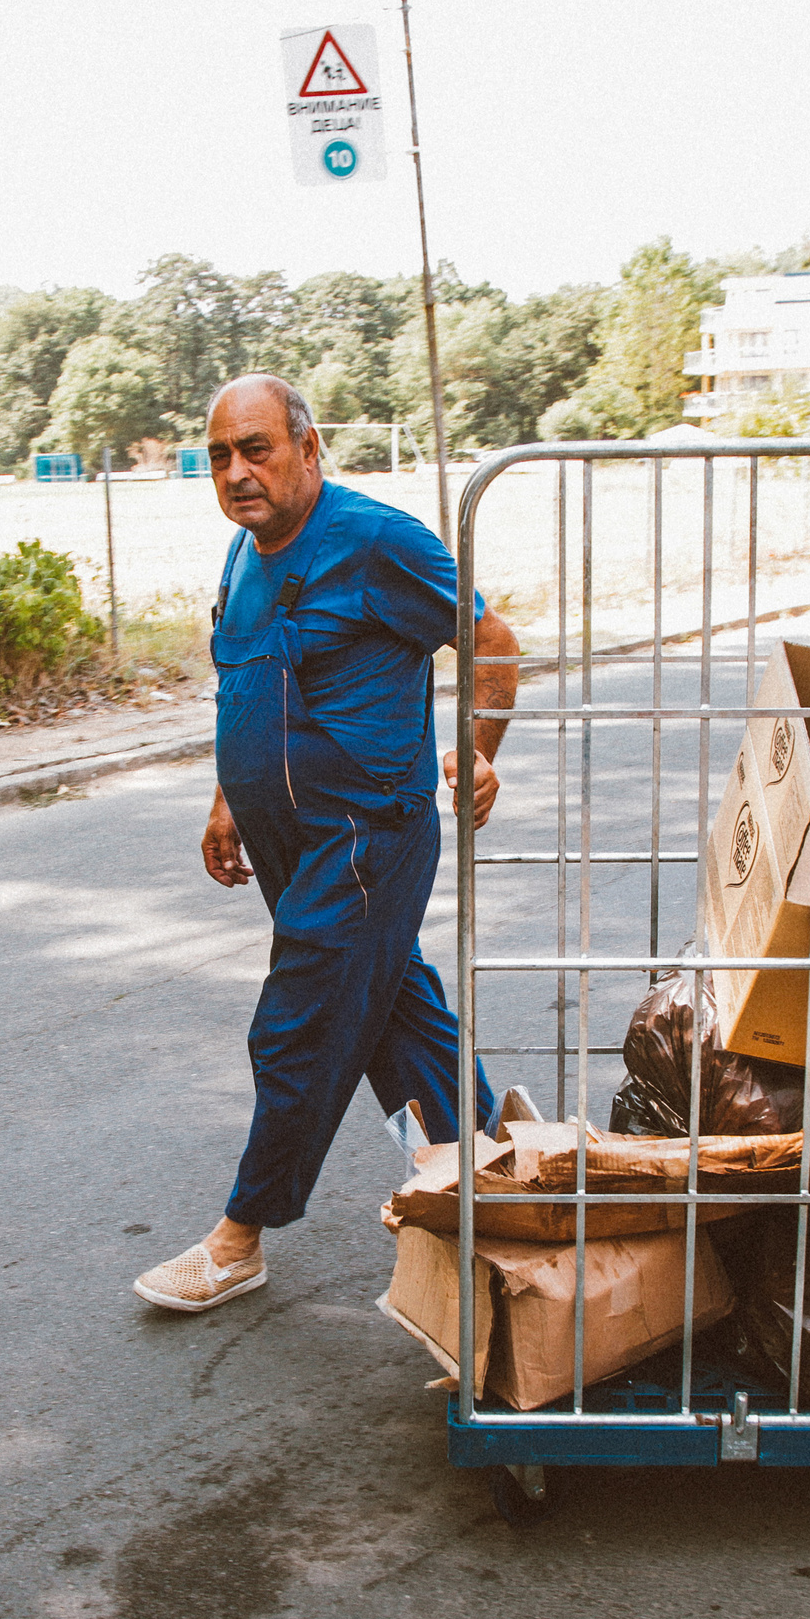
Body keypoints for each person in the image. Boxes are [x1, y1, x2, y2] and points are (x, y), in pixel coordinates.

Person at [133, 374, 519, 1313]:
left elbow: (492, 642)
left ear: (309, 448)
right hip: (287, 842)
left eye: (256, 448)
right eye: (220, 454)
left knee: (298, 1025)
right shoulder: (242, 556)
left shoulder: (379, 541)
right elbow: (248, 686)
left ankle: (241, 1235)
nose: (236, 471)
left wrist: (476, 752)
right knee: (392, 1005)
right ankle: (494, 1179)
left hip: (367, 836)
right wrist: (229, 798)